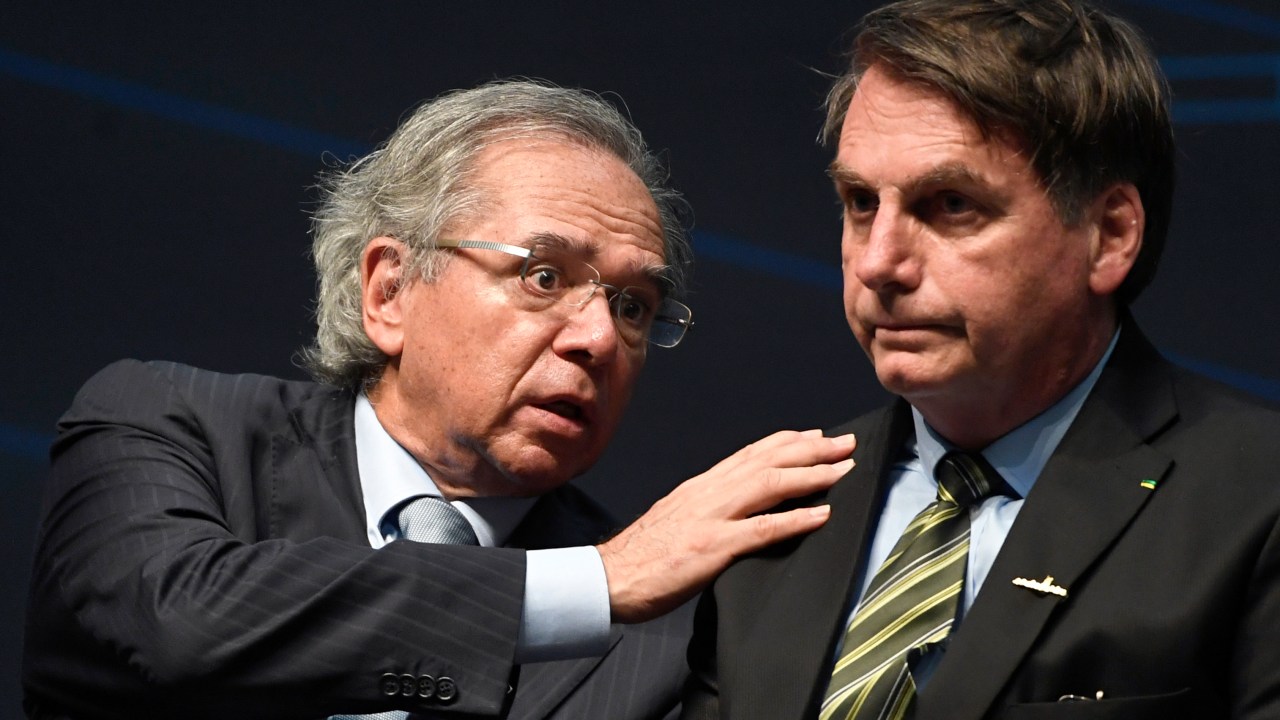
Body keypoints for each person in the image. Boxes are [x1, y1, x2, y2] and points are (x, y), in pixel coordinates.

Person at [22, 79, 856, 720]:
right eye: (543, 275)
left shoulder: (670, 640)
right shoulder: (166, 426)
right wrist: (592, 586)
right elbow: (174, 627)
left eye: (633, 306)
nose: (598, 338)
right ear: (390, 289)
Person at [682, 1, 1280, 718]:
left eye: (951, 204)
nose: (878, 264)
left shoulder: (1256, 500)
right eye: (860, 202)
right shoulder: (777, 512)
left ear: (1109, 235)